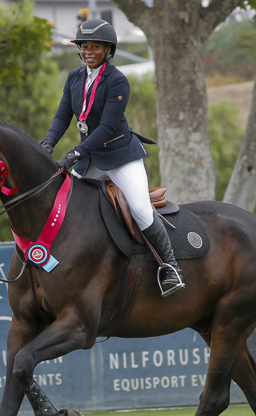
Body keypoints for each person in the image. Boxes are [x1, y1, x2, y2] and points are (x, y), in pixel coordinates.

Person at [40, 18, 185, 297]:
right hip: (89, 157)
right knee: (62, 206)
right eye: (84, 46)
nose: (88, 51)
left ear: (108, 50)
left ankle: (170, 267)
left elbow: (106, 127)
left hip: (120, 156)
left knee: (142, 209)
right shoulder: (74, 78)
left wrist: (75, 153)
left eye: (95, 46)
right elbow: (63, 116)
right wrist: (48, 142)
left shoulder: (117, 81)